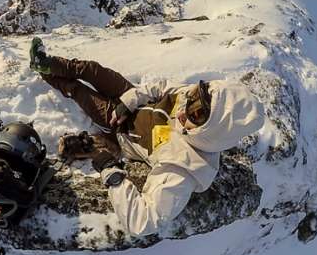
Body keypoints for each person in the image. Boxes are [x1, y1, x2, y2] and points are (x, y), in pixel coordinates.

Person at [29, 37, 264, 237]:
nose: (184, 109)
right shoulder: (200, 99)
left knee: (79, 90)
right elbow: (160, 88)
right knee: (90, 69)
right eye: (194, 97)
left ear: (215, 131)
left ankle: (47, 75)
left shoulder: (186, 166)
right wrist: (127, 102)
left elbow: (143, 222)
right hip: (129, 102)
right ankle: (45, 64)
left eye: (197, 114)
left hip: (120, 131)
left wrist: (111, 173)